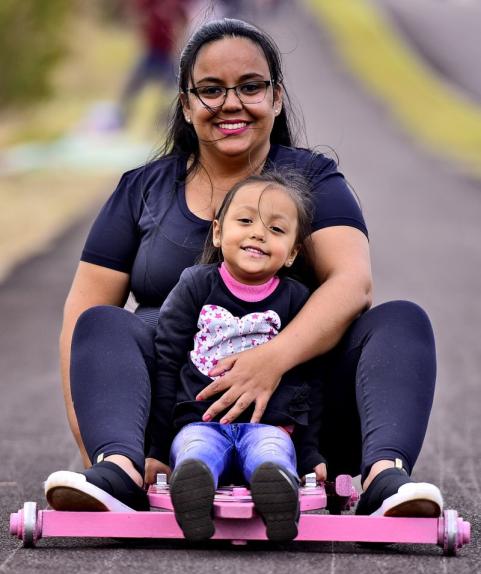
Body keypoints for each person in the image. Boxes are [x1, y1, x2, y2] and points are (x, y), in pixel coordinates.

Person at [44, 18, 443, 524]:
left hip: (299, 428)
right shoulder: (141, 189)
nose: (231, 103)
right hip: (170, 435)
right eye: (210, 90)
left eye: (250, 86)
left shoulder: (314, 179)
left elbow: (352, 283)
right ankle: (117, 471)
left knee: (402, 321)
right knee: (101, 324)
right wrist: (93, 447)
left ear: (276, 98)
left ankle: (384, 479)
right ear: (186, 105)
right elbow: (82, 309)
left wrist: (271, 360)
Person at [151, 170, 325, 541]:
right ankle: (192, 494)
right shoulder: (196, 285)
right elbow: (166, 361)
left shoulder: (296, 300)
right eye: (245, 221)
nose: (258, 233)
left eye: (277, 230)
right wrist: (156, 449)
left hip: (269, 426)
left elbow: (309, 380)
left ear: (293, 252)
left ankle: (278, 496)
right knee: (196, 452)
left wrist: (309, 454)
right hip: (200, 422)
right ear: (217, 232)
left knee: (273, 453)